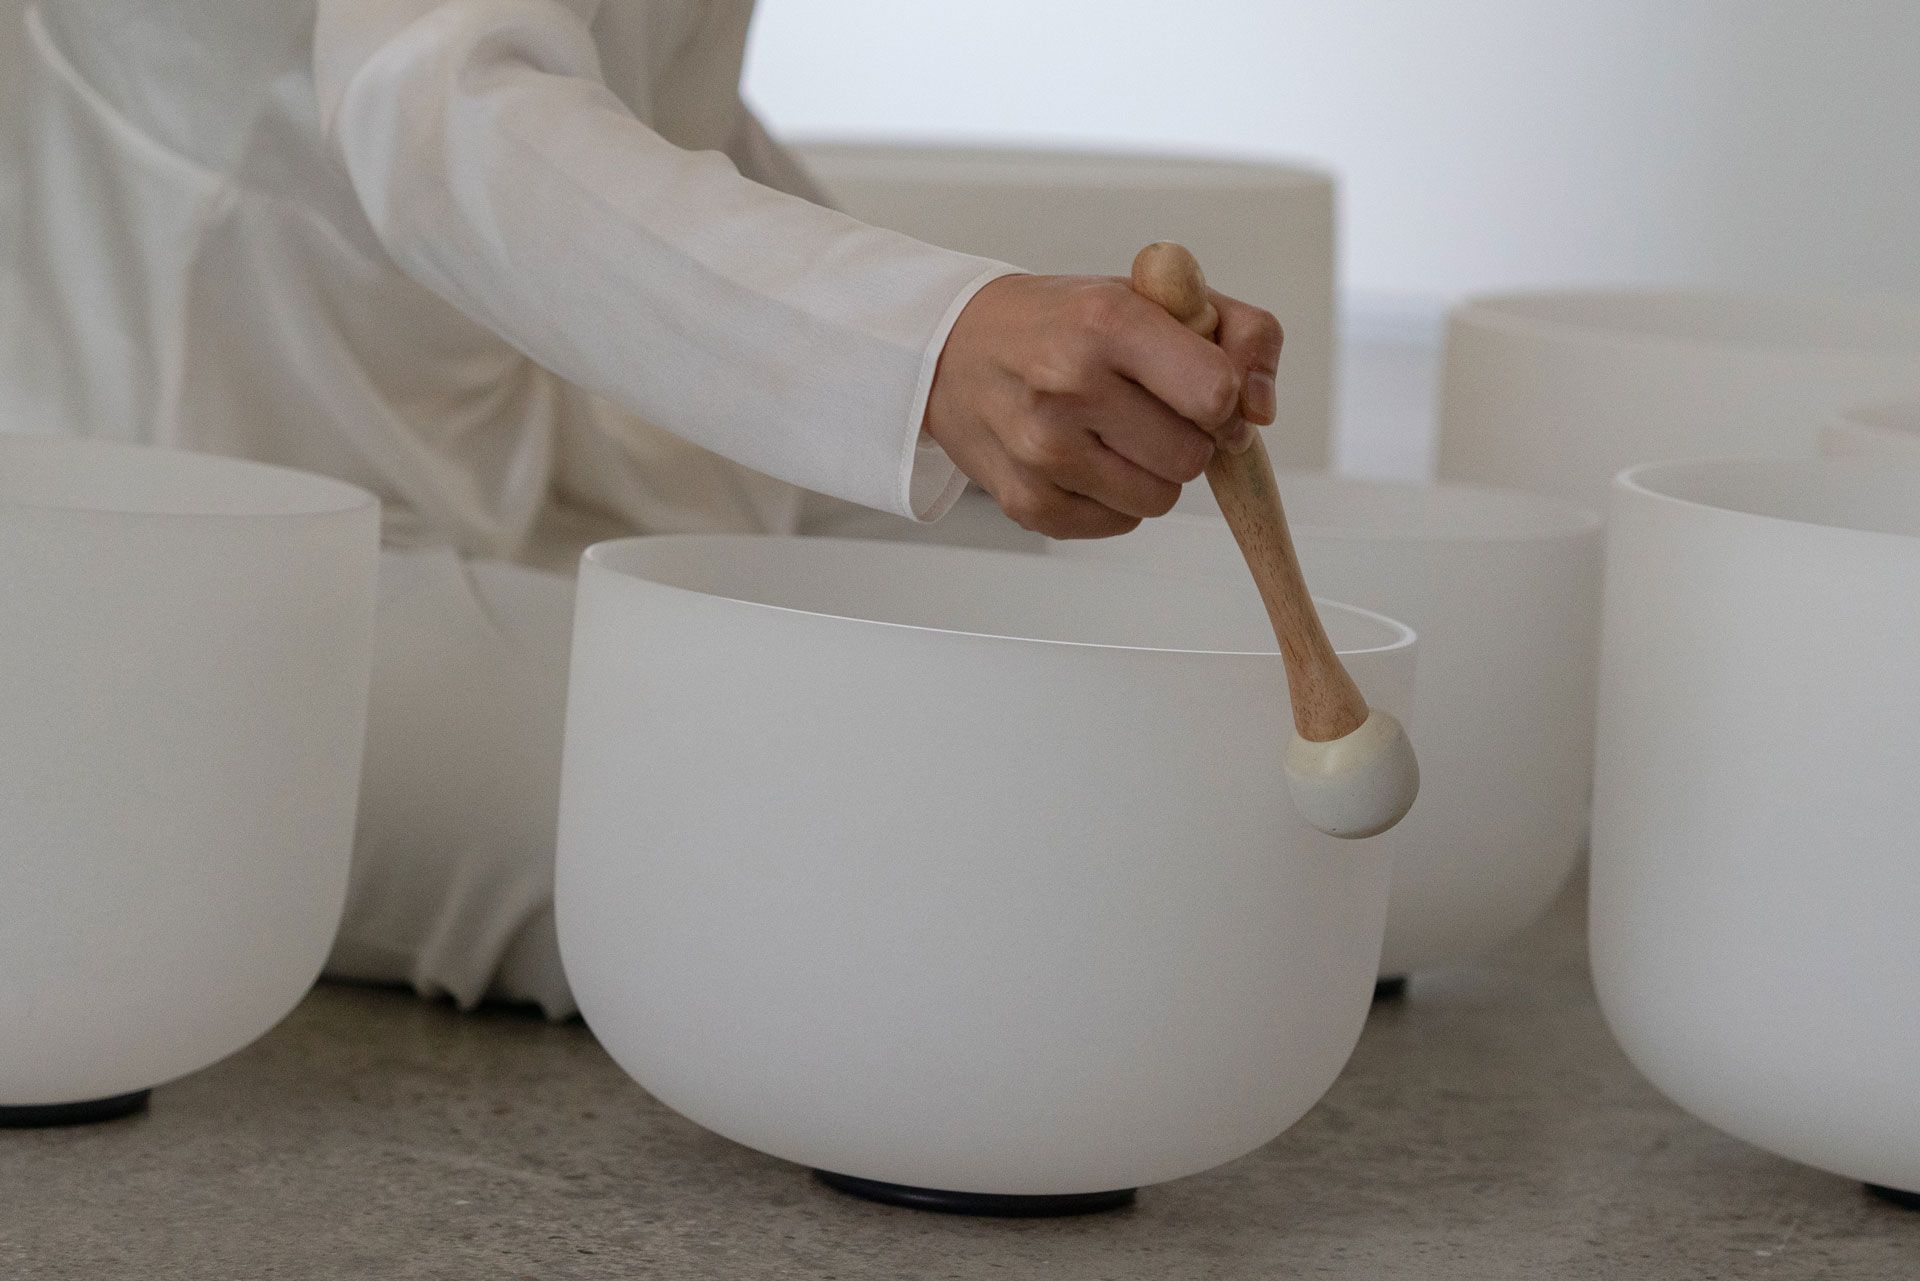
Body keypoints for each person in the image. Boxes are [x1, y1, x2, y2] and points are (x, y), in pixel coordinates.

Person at [0, 0, 1284, 1017]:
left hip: (545, 452)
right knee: (908, 866)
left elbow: (655, 105)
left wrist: (1010, 345)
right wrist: (934, 347)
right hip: (177, 566)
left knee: (1148, 686)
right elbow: (433, 103)